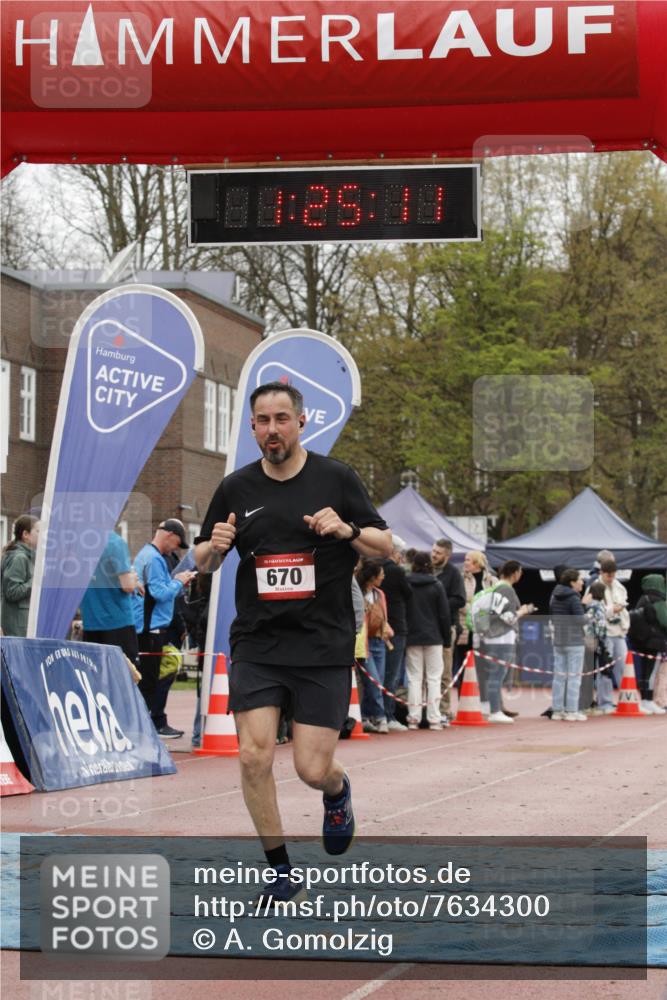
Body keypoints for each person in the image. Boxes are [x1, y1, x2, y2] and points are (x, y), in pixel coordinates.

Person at [194, 381, 391, 906]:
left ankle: (336, 789)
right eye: (263, 420)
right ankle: (280, 870)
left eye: (282, 418)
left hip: (322, 643)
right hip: (258, 642)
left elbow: (386, 544)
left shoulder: (336, 478)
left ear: (301, 422)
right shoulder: (236, 488)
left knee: (310, 767)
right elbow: (201, 559)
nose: (272, 429)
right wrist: (212, 549)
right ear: (253, 427)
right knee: (254, 756)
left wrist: (346, 529)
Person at [133, 519, 196, 738]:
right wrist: (179, 581)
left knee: (147, 680)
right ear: (169, 535)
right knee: (149, 682)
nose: (174, 550)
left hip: (147, 625)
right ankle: (146, 730)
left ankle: (145, 727)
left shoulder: (145, 555)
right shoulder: (155, 559)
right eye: (176, 544)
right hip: (151, 628)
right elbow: (160, 594)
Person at [473, 560, 534, 724]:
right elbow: (505, 616)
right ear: (515, 573)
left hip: (492, 636)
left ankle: (490, 706)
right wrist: (522, 611)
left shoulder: (496, 588)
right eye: (520, 572)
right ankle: (495, 710)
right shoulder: (506, 590)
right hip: (501, 637)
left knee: (492, 673)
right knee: (497, 674)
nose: (520, 575)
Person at [405, 551, 451, 731]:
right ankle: (434, 718)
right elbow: (444, 615)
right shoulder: (437, 585)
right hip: (434, 637)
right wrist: (446, 640)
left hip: (413, 636)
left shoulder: (407, 584)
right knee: (434, 678)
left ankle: (413, 718)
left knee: (414, 678)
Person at [81, 529, 141, 666]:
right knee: (125, 677)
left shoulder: (80, 544)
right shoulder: (115, 542)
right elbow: (127, 586)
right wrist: (134, 578)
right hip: (117, 622)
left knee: (94, 679)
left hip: (91, 621)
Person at [379, 535, 412, 731]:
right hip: (396, 626)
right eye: (400, 553)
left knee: (379, 674)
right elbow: (408, 594)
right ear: (394, 552)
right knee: (391, 674)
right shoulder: (396, 572)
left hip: (378, 627)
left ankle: (377, 714)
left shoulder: (376, 567)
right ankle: (388, 715)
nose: (401, 557)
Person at [356, 557, 393, 734]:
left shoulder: (380, 594)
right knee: (374, 681)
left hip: (379, 641)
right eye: (381, 573)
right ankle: (380, 716)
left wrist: (386, 629)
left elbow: (384, 615)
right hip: (365, 642)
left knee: (378, 681)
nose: (384, 576)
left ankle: (365, 716)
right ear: (372, 576)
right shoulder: (359, 593)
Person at [456, 550, 497, 709]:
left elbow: (497, 601)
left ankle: (486, 702)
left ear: (477, 563)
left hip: (485, 630)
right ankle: (464, 703)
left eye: (468, 560)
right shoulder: (460, 579)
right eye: (465, 560)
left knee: (484, 667)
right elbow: (458, 600)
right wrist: (475, 610)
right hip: (465, 630)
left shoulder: (491, 580)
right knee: (463, 667)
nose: (465, 562)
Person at [431, 538, 466, 723]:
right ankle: (427, 709)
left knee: (444, 672)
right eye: (433, 551)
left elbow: (460, 599)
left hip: (447, 627)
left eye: (438, 553)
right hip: (426, 627)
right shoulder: (425, 569)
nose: (434, 555)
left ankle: (444, 710)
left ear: (447, 556)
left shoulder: (453, 574)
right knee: (424, 674)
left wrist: (439, 604)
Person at [549, 568, 587, 721]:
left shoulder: (554, 596)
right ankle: (571, 710)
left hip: (559, 640)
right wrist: (587, 611)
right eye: (580, 579)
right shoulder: (574, 598)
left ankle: (557, 710)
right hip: (574, 641)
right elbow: (580, 620)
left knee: (559, 676)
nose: (582, 582)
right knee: (574, 677)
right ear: (572, 582)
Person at [630, 574, 667, 715]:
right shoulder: (658, 600)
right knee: (651, 673)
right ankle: (648, 700)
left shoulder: (643, 599)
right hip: (655, 641)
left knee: (645, 672)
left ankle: (646, 699)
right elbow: (664, 621)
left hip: (643, 641)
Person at [596, 558, 630, 708]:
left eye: (613, 575)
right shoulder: (595, 587)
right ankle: (605, 702)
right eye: (608, 575)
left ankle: (625, 699)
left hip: (619, 632)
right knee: (605, 668)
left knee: (623, 667)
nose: (611, 578)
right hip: (605, 633)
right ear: (601, 573)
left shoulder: (619, 587)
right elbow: (594, 609)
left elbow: (624, 604)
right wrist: (611, 610)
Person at [0, 515, 39, 636]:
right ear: (25, 534)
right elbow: (12, 591)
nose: (42, 535)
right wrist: (36, 581)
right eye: (38, 531)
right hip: (16, 627)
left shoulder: (28, 557)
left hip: (21, 624)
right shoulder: (19, 558)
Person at [584, 580, 614, 713]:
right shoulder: (594, 607)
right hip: (594, 642)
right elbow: (590, 623)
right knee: (592, 674)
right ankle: (588, 703)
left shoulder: (595, 606)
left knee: (593, 674)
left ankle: (591, 702)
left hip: (595, 641)